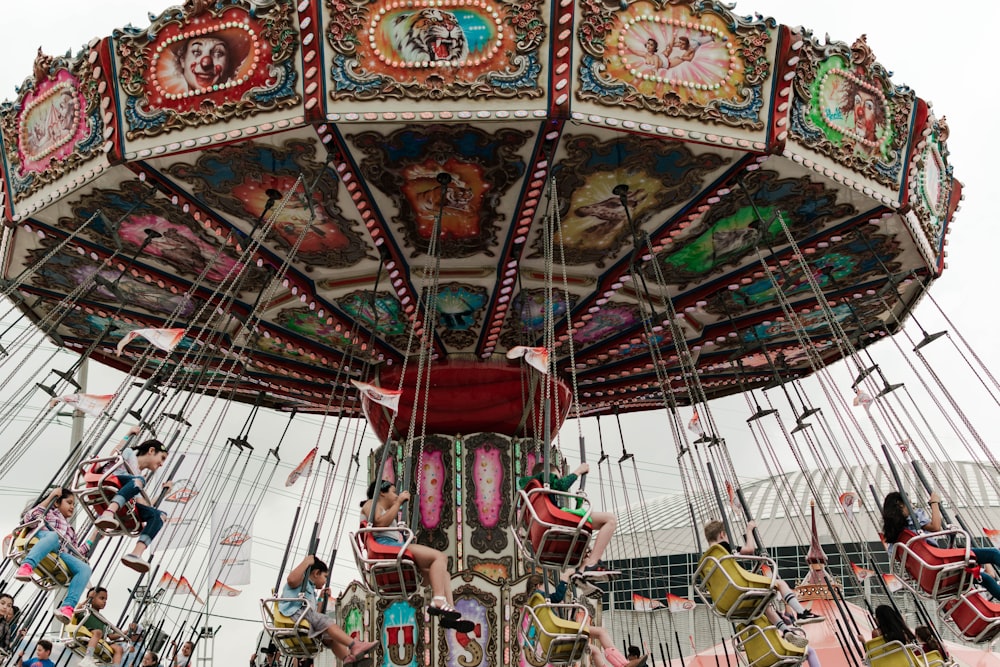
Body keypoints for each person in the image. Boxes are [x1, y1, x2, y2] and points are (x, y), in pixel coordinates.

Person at [361, 480, 475, 630]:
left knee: (443, 574)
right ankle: (439, 599)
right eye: (394, 492)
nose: (396, 496)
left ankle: (450, 613)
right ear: (382, 492)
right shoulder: (371, 503)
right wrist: (399, 502)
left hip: (392, 547)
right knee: (439, 557)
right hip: (385, 547)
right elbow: (380, 523)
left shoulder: (385, 510)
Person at [703, 520, 823, 632]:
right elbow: (750, 549)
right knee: (779, 583)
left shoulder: (706, 559)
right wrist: (749, 530)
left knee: (762, 604)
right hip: (739, 589)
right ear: (723, 534)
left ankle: (786, 631)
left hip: (724, 602)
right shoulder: (722, 547)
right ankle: (801, 612)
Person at [881, 490, 1000, 600]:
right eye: (910, 503)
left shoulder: (896, 538)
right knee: (993, 554)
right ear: (900, 504)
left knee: (985, 578)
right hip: (938, 561)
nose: (913, 506)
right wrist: (934, 503)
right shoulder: (913, 519)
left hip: (928, 576)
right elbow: (936, 527)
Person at [517, 462, 619, 579]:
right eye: (557, 476)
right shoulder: (544, 478)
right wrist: (579, 470)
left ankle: (582, 572)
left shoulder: (532, 490)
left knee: (583, 544)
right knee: (610, 520)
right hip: (554, 519)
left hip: (545, 528)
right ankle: (592, 564)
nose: (558, 479)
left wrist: (579, 502)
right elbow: (562, 485)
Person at [94, 427, 169, 573]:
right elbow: (114, 454)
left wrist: (163, 494)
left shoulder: (139, 478)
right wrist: (128, 434)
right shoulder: (129, 455)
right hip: (110, 483)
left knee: (159, 515)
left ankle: (136, 553)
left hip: (126, 495)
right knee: (138, 481)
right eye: (162, 458)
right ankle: (109, 512)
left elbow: (143, 504)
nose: (161, 464)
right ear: (151, 451)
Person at [15, 486, 95, 623]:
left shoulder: (71, 530)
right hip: (43, 538)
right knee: (53, 537)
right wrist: (51, 497)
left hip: (59, 552)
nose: (72, 507)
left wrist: (94, 535)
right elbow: (29, 517)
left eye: (74, 505)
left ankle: (68, 607)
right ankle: (27, 566)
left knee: (85, 568)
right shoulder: (49, 512)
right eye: (69, 503)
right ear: (58, 502)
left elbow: (76, 552)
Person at [280, 554, 376, 662]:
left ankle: (347, 658)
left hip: (303, 616)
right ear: (316, 573)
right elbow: (291, 580)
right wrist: (306, 562)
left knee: (329, 638)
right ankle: (354, 645)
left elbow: (316, 614)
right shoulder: (301, 580)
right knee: (328, 622)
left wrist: (321, 599)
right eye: (325, 576)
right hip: (294, 614)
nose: (325, 581)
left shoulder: (311, 591)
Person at [76, 586, 125, 667]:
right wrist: (88, 599)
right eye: (102, 598)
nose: (104, 601)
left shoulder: (102, 619)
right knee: (98, 632)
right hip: (87, 633)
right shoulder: (86, 609)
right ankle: (87, 658)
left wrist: (125, 632)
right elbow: (76, 611)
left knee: (119, 649)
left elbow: (111, 636)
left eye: (105, 599)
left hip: (100, 640)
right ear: (93, 598)